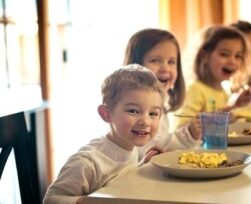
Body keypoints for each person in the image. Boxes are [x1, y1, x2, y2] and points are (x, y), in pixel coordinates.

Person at [43, 64, 165, 204]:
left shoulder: (130, 147)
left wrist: (142, 165)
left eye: (153, 114)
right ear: (106, 114)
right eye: (133, 111)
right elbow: (50, 200)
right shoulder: (87, 162)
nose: (145, 121)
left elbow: (118, 180)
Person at [124, 28, 201, 162]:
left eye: (171, 62)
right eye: (155, 60)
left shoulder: (160, 107)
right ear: (135, 65)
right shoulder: (130, 108)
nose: (165, 68)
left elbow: (161, 145)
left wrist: (189, 134)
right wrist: (143, 163)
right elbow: (133, 156)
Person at [175, 25, 251, 128]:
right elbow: (182, 128)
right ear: (205, 56)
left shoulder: (223, 90)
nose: (232, 61)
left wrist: (235, 105)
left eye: (238, 56)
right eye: (224, 54)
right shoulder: (195, 90)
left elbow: (220, 120)